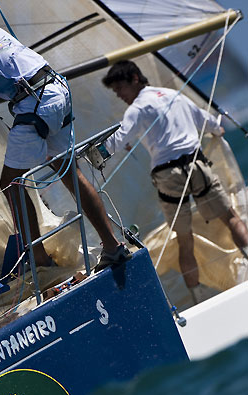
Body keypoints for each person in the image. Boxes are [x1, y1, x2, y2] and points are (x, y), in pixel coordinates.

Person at [0, 5, 131, 272]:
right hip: (55, 87)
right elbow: (2, 64)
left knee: (11, 182)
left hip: (36, 104)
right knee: (69, 172)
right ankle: (113, 247)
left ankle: (40, 261)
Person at [102, 60, 248, 303]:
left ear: (135, 78)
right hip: (199, 167)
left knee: (184, 239)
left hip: (169, 177)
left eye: (120, 89)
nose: (120, 96)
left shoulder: (137, 109)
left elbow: (115, 142)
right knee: (231, 218)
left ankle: (198, 297)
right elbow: (211, 125)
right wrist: (218, 134)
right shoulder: (174, 96)